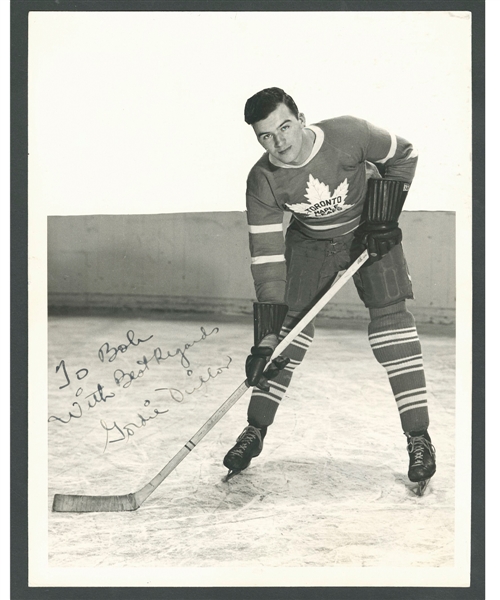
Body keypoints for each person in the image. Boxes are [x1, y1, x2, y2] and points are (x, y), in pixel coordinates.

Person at [223, 87, 436, 491]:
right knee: (286, 333)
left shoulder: (348, 133)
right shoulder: (261, 180)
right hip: (311, 243)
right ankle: (255, 429)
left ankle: (419, 438)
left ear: (301, 117)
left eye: (285, 127)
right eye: (266, 136)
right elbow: (267, 261)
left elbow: (404, 154)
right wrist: (265, 340)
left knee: (392, 326)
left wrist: (384, 216)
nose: (279, 142)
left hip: (369, 232)